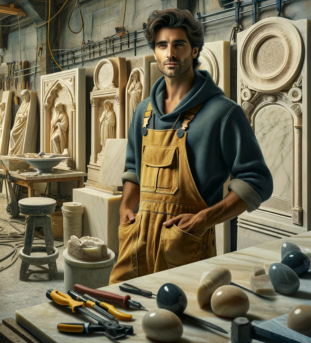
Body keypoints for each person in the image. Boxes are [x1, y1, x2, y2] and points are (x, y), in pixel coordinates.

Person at [109, 8, 273, 284]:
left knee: (183, 320)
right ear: (155, 51)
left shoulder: (223, 113)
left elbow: (257, 181)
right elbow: (133, 168)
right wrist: (126, 205)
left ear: (194, 51)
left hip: (184, 246)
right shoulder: (143, 111)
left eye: (179, 44)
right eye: (162, 45)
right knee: (121, 309)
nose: (170, 53)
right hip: (135, 244)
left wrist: (205, 219)